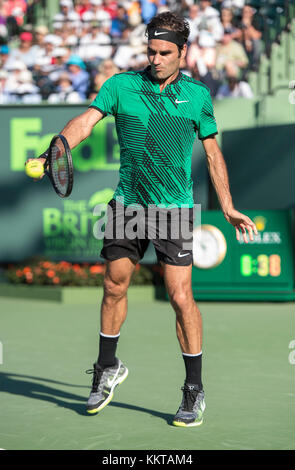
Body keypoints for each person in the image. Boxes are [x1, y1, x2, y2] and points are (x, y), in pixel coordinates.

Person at [27, 11, 257, 427]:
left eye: (165, 52)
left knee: (179, 296)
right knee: (113, 284)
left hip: (173, 208)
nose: (156, 59)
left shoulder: (198, 96)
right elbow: (85, 121)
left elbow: (212, 152)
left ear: (183, 52)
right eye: (150, 51)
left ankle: (194, 389)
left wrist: (226, 204)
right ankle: (107, 367)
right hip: (128, 204)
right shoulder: (120, 86)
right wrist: (56, 150)